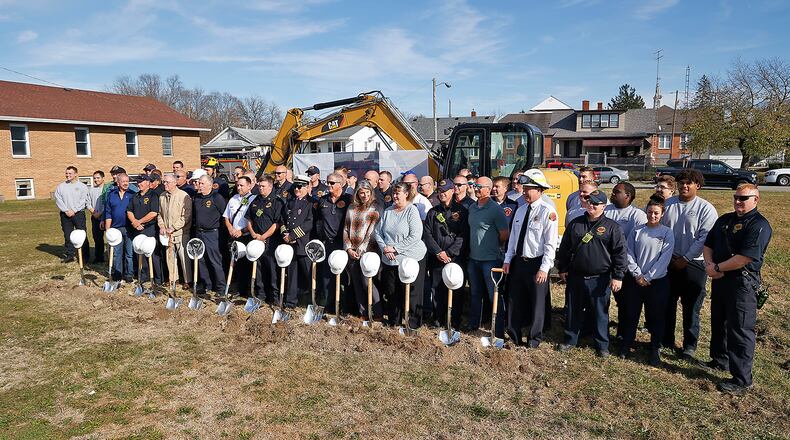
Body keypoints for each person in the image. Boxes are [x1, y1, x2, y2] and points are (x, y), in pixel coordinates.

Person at [704, 184, 772, 395]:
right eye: (736, 197)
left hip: (742, 284)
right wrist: (710, 266)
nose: (738, 202)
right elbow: (709, 244)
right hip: (720, 279)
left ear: (756, 199)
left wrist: (717, 267)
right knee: (719, 321)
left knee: (740, 329)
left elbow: (745, 258)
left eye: (743, 198)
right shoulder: (725, 219)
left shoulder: (759, 225)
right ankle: (719, 360)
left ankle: (742, 379)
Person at [556, 190, 627, 357]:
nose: (591, 205)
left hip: (600, 278)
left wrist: (618, 276)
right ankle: (570, 339)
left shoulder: (612, 227)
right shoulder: (575, 224)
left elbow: (620, 253)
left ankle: (602, 345)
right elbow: (565, 247)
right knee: (574, 310)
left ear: (604, 206)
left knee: (600, 313)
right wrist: (562, 268)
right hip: (576, 276)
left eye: (596, 203)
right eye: (589, 202)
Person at [661, 169, 718, 359]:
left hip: (694, 264)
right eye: (682, 182)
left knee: (691, 306)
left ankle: (689, 346)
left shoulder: (706, 208)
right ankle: (666, 339)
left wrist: (686, 258)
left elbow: (705, 238)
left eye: (689, 183)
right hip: (669, 262)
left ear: (697, 186)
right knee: (667, 302)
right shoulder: (667, 204)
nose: (684, 186)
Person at [503, 170, 558, 347]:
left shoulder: (547, 212)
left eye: (530, 189)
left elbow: (550, 244)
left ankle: (534, 340)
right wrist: (508, 259)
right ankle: (514, 335)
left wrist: (544, 268)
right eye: (524, 188)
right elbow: (513, 238)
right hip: (519, 262)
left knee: (537, 304)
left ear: (540, 190)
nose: (525, 192)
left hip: (536, 263)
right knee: (514, 299)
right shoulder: (520, 210)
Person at [621, 195, 674, 365]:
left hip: (657, 282)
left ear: (662, 214)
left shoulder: (667, 233)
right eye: (650, 212)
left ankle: (655, 348)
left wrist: (649, 276)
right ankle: (626, 344)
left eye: (656, 213)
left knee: (657, 315)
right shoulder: (637, 230)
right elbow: (629, 253)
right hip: (635, 281)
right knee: (631, 313)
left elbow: (664, 258)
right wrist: (637, 274)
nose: (652, 215)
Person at [374, 182, 427, 328]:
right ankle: (394, 323)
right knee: (392, 292)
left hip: (411, 258)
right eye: (394, 193)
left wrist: (396, 249)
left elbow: (415, 235)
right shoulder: (388, 211)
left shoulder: (412, 211)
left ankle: (412, 325)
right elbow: (378, 232)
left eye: (398, 193)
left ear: (406, 194)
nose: (395, 196)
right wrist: (385, 248)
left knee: (412, 294)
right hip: (390, 259)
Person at [423, 178, 469, 328]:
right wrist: (438, 252)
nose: (441, 194)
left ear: (452, 191)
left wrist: (449, 253)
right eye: (439, 191)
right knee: (437, 289)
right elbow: (427, 234)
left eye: (444, 191)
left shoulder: (462, 212)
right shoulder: (433, 212)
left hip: (455, 259)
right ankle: (438, 318)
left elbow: (463, 235)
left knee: (456, 289)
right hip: (437, 258)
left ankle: (454, 319)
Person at [466, 176, 509, 333]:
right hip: (474, 259)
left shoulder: (495, 209)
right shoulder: (472, 207)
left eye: (479, 186)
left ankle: (498, 328)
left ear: (489, 189)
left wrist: (493, 245)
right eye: (475, 185)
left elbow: (504, 233)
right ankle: (473, 323)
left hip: (490, 260)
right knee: (475, 293)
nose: (476, 188)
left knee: (494, 296)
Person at [604, 182, 647, 338]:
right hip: (604, 264)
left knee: (625, 303)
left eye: (617, 191)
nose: (613, 193)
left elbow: (637, 243)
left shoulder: (637, 215)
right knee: (601, 301)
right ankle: (599, 331)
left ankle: (624, 335)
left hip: (625, 266)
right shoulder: (606, 211)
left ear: (627, 196)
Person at [343, 180, 382, 318]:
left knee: (367, 282)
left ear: (371, 193)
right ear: (357, 194)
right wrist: (348, 249)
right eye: (362, 193)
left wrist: (361, 250)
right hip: (352, 251)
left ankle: (377, 313)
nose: (364, 195)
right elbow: (346, 229)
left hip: (368, 252)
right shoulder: (351, 208)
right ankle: (362, 312)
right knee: (356, 283)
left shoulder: (375, 208)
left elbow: (372, 232)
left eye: (367, 192)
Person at [314, 172, 352, 312]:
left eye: (332, 183)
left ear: (341, 184)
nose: (328, 185)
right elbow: (318, 221)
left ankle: (345, 306)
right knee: (326, 275)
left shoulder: (349, 199)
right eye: (328, 182)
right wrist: (321, 236)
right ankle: (329, 306)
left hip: (343, 244)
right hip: (327, 243)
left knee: (344, 277)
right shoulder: (323, 200)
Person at [246, 175, 285, 303]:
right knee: (258, 268)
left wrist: (263, 236)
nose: (260, 188)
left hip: (270, 241)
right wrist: (253, 234)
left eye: (263, 186)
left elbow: (277, 223)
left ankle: (275, 297)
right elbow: (249, 219)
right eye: (259, 186)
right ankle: (261, 294)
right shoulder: (256, 200)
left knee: (272, 269)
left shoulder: (277, 201)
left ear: (270, 186)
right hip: (256, 240)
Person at [281, 175, 314, 308]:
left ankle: (313, 299)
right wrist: (285, 234)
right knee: (292, 273)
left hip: (303, 243)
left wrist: (293, 235)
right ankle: (290, 301)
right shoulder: (290, 202)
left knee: (309, 273)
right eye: (295, 186)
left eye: (300, 187)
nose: (297, 189)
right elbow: (282, 220)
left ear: (307, 187)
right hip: (289, 243)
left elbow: (309, 223)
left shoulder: (311, 203)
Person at [193, 175, 227, 295]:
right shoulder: (196, 198)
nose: (199, 185)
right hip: (199, 232)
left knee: (215, 261)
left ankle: (221, 288)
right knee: (201, 260)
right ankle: (207, 285)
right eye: (199, 183)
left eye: (202, 183)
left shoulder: (216, 197)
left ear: (209, 185)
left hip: (212, 233)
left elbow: (224, 215)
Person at [158, 173, 193, 290]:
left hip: (181, 232)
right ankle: (173, 278)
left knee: (183, 257)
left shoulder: (183, 196)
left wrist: (174, 227)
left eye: (167, 182)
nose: (165, 184)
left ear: (174, 183)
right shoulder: (162, 196)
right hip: (167, 233)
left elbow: (186, 216)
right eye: (164, 182)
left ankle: (187, 280)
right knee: (170, 257)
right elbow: (160, 214)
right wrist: (162, 226)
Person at [223, 176, 256, 296]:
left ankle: (247, 290)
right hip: (233, 235)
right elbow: (226, 217)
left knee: (246, 264)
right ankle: (239, 289)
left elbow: (253, 221)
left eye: (242, 185)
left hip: (245, 235)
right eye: (238, 185)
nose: (239, 187)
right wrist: (230, 228)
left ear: (249, 186)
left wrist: (242, 231)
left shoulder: (253, 200)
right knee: (235, 262)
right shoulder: (233, 199)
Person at [126, 175, 162, 285]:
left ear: (147, 182)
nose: (138, 184)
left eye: (141, 181)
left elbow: (153, 213)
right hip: (137, 228)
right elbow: (129, 211)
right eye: (137, 181)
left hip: (149, 228)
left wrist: (140, 221)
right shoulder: (135, 196)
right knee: (139, 251)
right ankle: (144, 275)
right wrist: (134, 222)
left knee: (152, 253)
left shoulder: (153, 195)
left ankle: (157, 278)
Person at [54, 166, 90, 263]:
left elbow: (83, 200)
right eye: (66, 173)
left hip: (78, 213)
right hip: (65, 214)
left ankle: (85, 255)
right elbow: (58, 199)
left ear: (75, 174)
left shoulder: (82, 186)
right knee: (67, 235)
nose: (68, 175)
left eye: (70, 173)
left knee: (82, 234)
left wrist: (74, 210)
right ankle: (70, 255)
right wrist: (66, 210)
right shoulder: (61, 186)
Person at [103, 173, 135, 282]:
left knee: (129, 253)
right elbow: (108, 213)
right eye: (123, 181)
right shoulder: (111, 195)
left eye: (127, 181)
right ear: (118, 182)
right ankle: (117, 274)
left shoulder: (132, 194)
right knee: (117, 253)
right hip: (115, 229)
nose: (126, 183)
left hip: (129, 228)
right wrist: (108, 231)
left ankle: (129, 275)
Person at [88, 170, 106, 263]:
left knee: (110, 237)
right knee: (97, 238)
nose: (96, 180)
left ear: (103, 178)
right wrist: (94, 213)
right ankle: (99, 257)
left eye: (98, 178)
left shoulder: (107, 189)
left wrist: (101, 213)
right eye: (94, 178)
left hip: (106, 216)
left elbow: (107, 203)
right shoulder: (91, 190)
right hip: (95, 217)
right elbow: (88, 203)